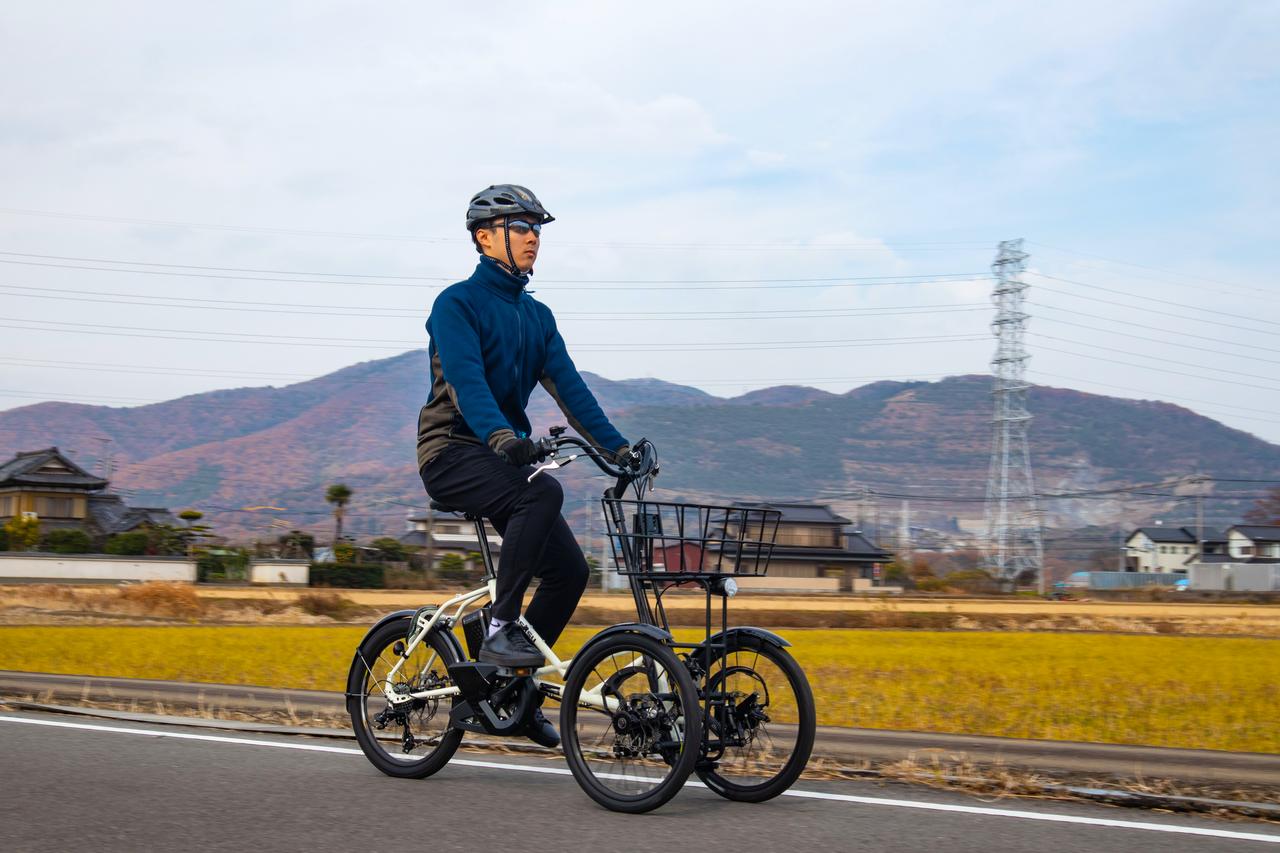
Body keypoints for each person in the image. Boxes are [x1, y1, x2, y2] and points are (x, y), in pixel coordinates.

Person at [416, 184, 629, 747]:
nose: (533, 237)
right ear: (485, 238)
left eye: (537, 228)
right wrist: (503, 436)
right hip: (453, 452)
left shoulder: (537, 317)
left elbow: (572, 393)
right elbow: (468, 383)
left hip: (499, 453)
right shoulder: (456, 304)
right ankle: (500, 626)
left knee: (570, 572)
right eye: (520, 226)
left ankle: (514, 690)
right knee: (542, 493)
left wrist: (620, 449)